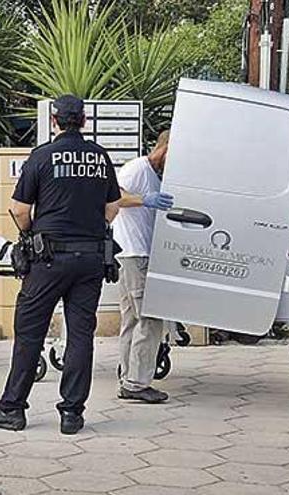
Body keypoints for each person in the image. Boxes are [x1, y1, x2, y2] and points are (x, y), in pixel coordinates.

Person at [0, 95, 121, 435]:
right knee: (81, 335)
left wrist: (30, 234)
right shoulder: (100, 157)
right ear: (84, 120)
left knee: (29, 333)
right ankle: (72, 413)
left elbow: (19, 209)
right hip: (90, 260)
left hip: (49, 258)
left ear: (55, 121)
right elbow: (113, 207)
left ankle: (12, 408)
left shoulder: (42, 156)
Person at [113, 130, 175, 403]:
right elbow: (112, 195)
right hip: (134, 254)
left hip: (132, 255)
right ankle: (137, 384)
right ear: (165, 147)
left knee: (131, 319)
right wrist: (144, 199)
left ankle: (128, 378)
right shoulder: (138, 168)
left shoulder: (154, 175)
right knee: (149, 318)